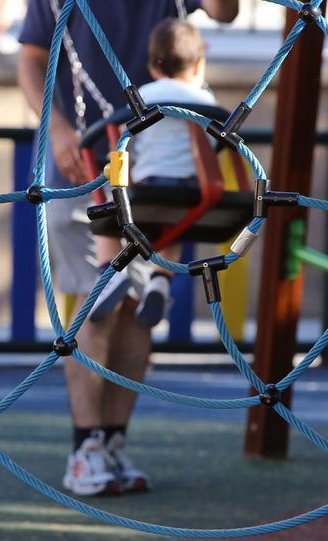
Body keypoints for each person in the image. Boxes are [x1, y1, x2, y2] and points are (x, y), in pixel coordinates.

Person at [18, 0, 239, 497]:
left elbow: (225, 11)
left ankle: (113, 441)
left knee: (136, 310)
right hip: (86, 160)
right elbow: (31, 58)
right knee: (95, 309)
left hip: (153, 172)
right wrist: (56, 128)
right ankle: (86, 447)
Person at [88, 18, 216, 329]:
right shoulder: (206, 102)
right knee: (174, 226)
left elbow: (123, 143)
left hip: (145, 191)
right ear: (199, 65)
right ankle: (159, 281)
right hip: (194, 195)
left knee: (106, 217)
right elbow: (214, 144)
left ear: (152, 67)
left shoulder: (142, 97)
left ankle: (109, 275)